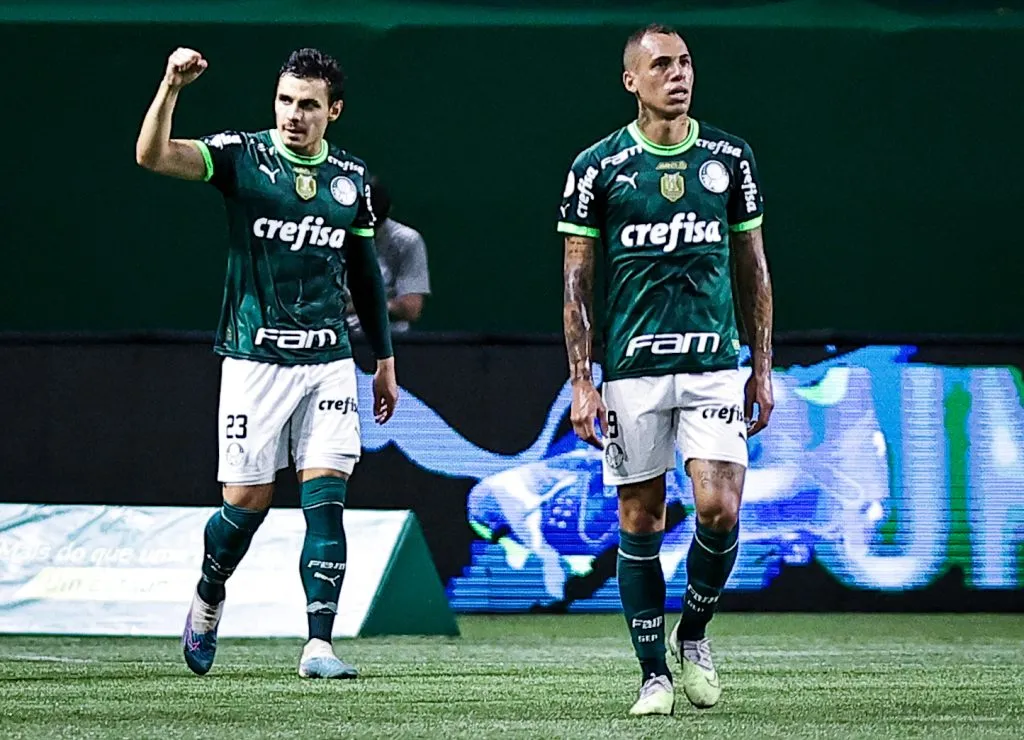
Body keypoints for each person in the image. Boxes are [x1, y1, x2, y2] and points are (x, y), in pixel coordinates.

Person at [135, 46, 399, 679]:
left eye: (308, 104)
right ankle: (209, 593)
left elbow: (364, 273)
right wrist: (171, 86)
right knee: (246, 504)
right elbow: (152, 155)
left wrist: (385, 359)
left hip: (328, 360)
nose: (293, 114)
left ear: (334, 111)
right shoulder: (242, 156)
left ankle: (319, 646)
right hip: (254, 359)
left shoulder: (351, 179)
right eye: (285, 100)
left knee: (326, 498)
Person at [557, 24, 774, 716]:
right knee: (640, 518)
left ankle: (695, 632)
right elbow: (577, 282)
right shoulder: (598, 167)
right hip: (632, 371)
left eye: (684, 63)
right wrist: (582, 380)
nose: (677, 74)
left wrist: (762, 366)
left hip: (713, 365)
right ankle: (653, 675)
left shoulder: (729, 158)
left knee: (719, 508)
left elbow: (753, 267)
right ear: (632, 81)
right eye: (661, 65)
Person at [346, 176, 431, 333]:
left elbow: (411, 309)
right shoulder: (326, 235)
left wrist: (357, 306)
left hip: (390, 339)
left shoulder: (407, 240)